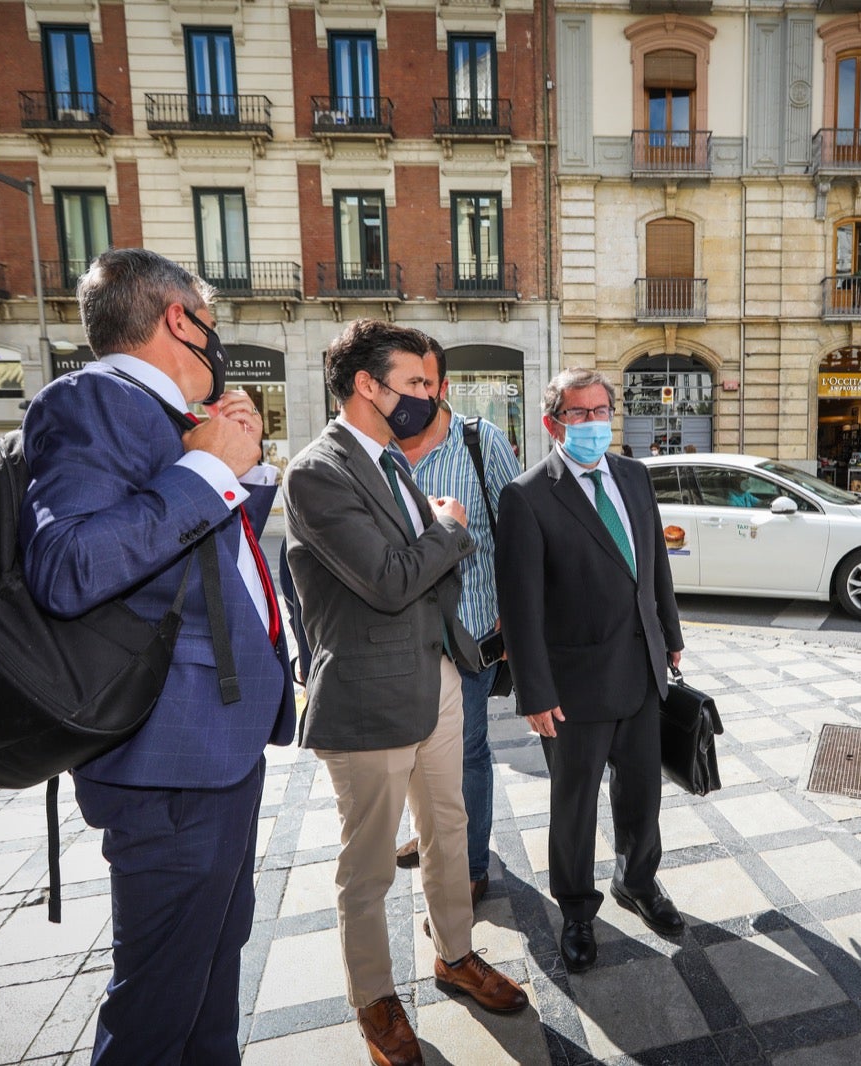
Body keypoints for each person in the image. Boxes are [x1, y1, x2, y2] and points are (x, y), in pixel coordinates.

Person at [20, 249, 296, 1065]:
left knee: (212, 972)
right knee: (158, 1003)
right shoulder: (88, 401)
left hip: (214, 753)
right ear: (180, 318)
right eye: (213, 323)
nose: (218, 343)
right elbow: (69, 565)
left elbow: (189, 555)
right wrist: (212, 465)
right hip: (166, 763)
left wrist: (238, 460)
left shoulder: (171, 418)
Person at [284, 320, 527, 1066]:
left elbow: (422, 578)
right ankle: (375, 1001)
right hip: (366, 698)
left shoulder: (393, 462)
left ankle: (454, 954)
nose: (430, 396)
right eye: (416, 384)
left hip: (439, 677)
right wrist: (449, 528)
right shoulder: (318, 472)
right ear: (368, 385)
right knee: (368, 867)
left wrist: (436, 550)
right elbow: (391, 580)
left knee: (448, 830)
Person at [495, 367, 686, 973]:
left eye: (602, 410)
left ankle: (638, 881)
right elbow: (520, 608)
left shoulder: (632, 474)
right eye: (579, 413)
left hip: (641, 670)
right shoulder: (526, 495)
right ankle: (577, 909)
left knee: (642, 794)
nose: (594, 422)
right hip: (571, 687)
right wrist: (534, 691)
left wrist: (671, 636)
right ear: (553, 423)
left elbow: (653, 564)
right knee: (573, 806)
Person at [392, 336, 524, 902]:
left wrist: (517, 622)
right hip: (397, 639)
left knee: (467, 754)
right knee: (408, 753)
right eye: (405, 385)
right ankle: (429, 833)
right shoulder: (375, 450)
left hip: (467, 637)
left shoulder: (480, 441)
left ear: (443, 388)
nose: (414, 396)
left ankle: (469, 865)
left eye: (425, 384)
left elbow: (520, 535)